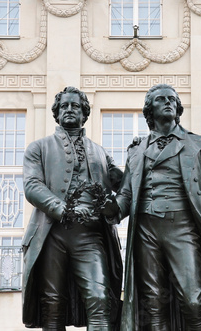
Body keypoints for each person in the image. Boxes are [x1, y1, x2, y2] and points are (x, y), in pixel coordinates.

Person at [106, 84, 201, 331]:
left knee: (193, 299)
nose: (168, 102)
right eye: (160, 99)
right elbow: (125, 196)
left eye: (172, 99)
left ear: (178, 108)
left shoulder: (198, 144)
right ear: (149, 110)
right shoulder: (136, 151)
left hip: (183, 228)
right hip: (146, 231)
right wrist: (108, 209)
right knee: (153, 303)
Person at [21, 86, 123, 331]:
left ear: (84, 112)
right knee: (52, 303)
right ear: (56, 113)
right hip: (52, 232)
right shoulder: (39, 148)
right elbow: (32, 186)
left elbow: (124, 186)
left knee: (100, 299)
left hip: (91, 235)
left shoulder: (101, 152)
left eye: (75, 106)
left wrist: (139, 156)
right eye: (64, 106)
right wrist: (63, 208)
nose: (69, 110)